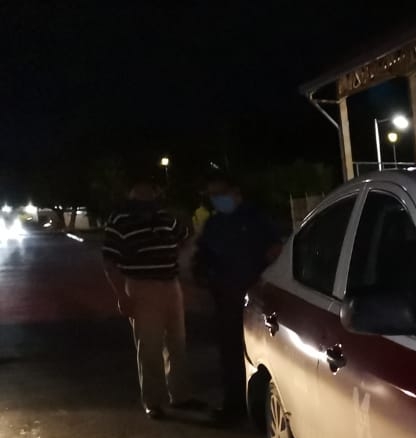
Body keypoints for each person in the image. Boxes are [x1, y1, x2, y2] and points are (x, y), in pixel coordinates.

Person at [102, 180, 193, 419]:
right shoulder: (119, 221)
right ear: (130, 192)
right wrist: (121, 295)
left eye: (149, 189)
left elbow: (184, 237)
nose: (146, 194)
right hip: (141, 287)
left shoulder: (164, 217)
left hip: (170, 285)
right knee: (149, 347)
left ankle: (180, 395)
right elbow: (109, 262)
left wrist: (173, 255)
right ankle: (154, 402)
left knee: (177, 343)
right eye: (140, 189)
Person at [195, 175, 282, 424]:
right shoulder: (215, 224)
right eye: (212, 196)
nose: (216, 200)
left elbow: (275, 251)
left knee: (258, 353)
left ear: (234, 192)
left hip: (255, 299)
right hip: (225, 299)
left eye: (219, 194)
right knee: (230, 354)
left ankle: (259, 406)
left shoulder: (256, 219)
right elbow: (203, 257)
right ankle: (234, 404)